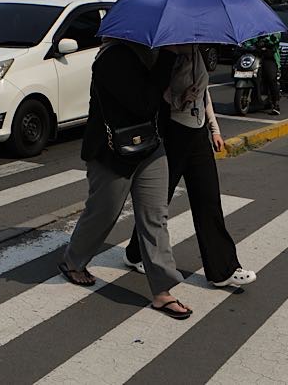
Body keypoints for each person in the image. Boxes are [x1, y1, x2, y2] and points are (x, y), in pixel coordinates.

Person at [60, 40, 193, 320]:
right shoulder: (113, 58)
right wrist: (168, 60)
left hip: (150, 147)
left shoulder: (153, 54)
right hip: (112, 151)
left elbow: (159, 103)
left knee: (155, 217)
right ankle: (74, 261)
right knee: (103, 213)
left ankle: (162, 291)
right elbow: (143, 103)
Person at [124, 45, 257, 288]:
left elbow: (204, 94)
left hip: (197, 136)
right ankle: (135, 252)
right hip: (173, 134)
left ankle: (222, 270)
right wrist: (179, 99)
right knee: (158, 200)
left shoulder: (198, 52)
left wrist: (214, 129)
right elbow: (153, 91)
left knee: (208, 200)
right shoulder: (165, 54)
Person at [241, 34, 282, 115]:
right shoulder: (252, 27)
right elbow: (247, 41)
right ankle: (254, 101)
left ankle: (275, 104)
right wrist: (246, 45)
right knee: (253, 77)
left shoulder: (272, 27)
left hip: (269, 57)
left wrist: (265, 41)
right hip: (254, 55)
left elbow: (276, 37)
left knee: (271, 78)